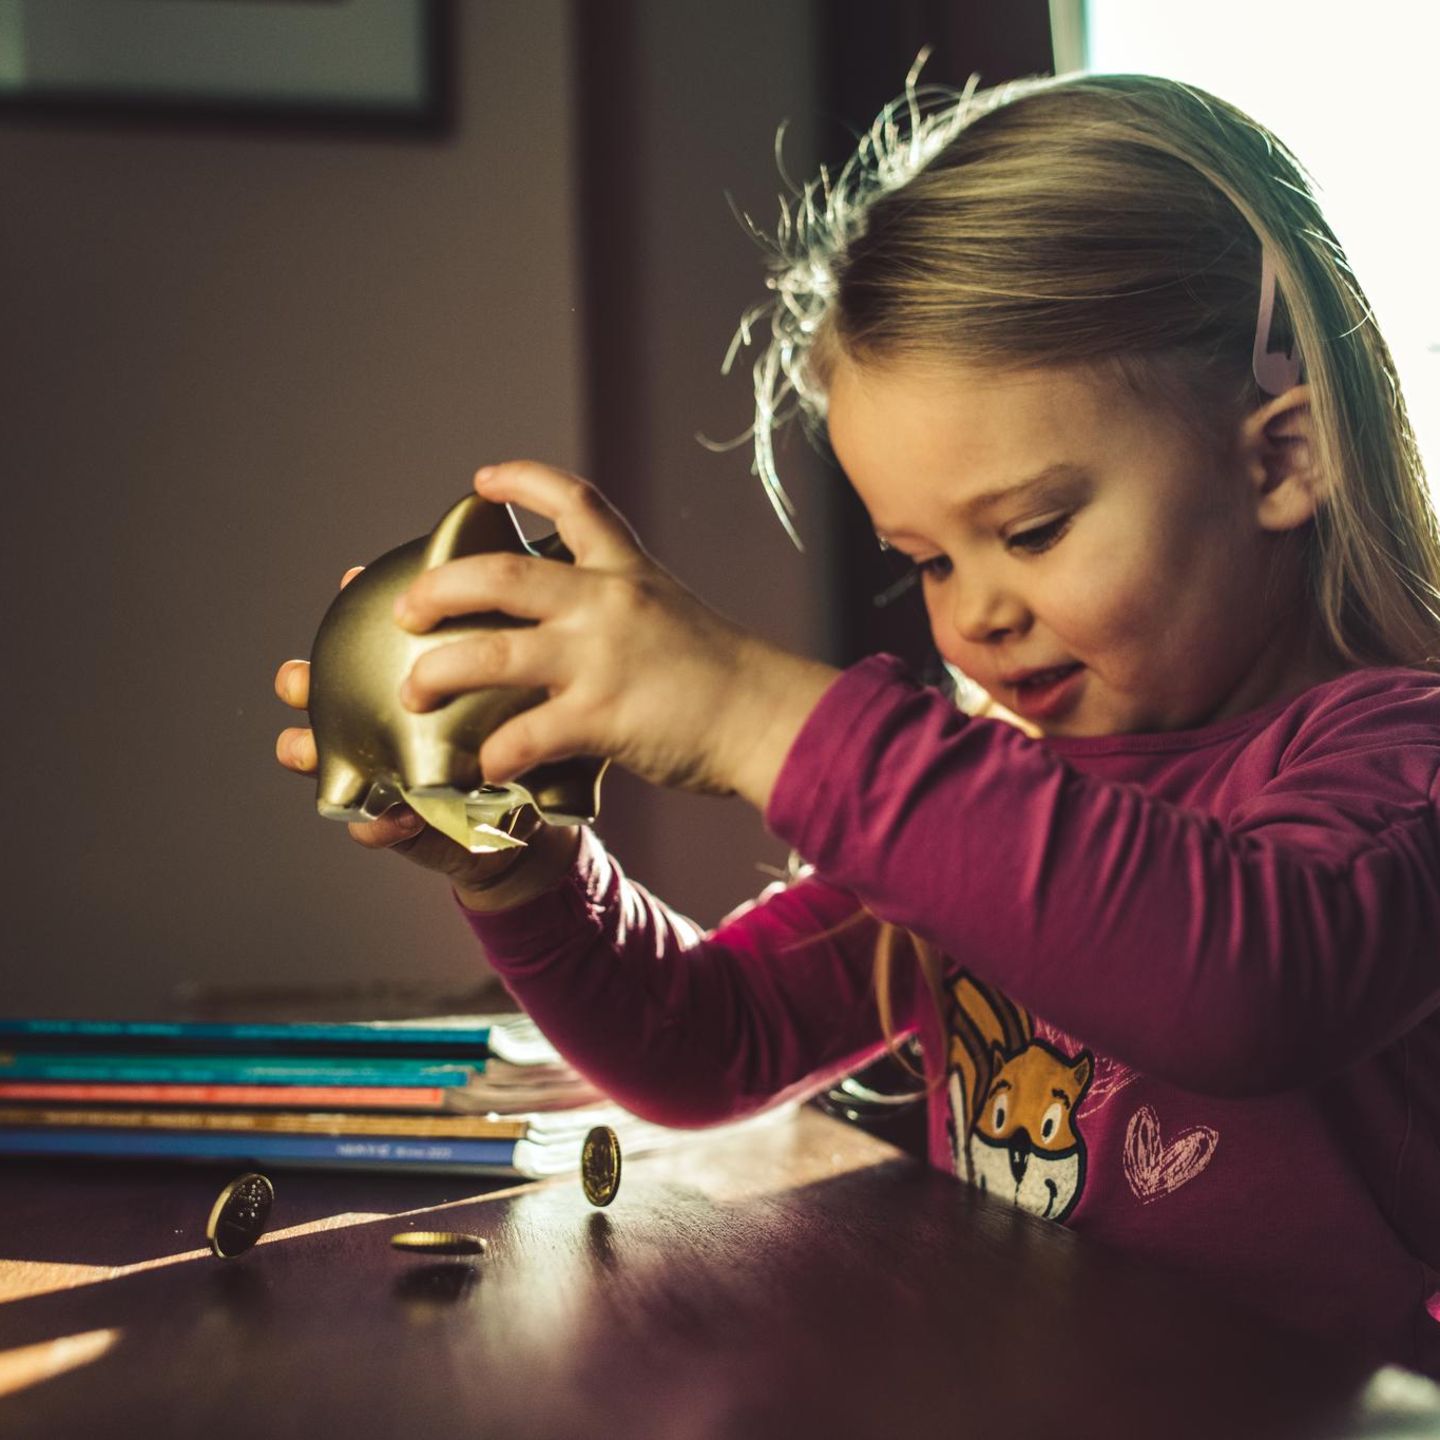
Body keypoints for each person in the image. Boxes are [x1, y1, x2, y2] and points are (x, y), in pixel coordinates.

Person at [275, 70, 1440, 1374]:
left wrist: (750, 708)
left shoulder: (1401, 764)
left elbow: (1250, 986)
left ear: (1280, 460)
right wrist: (520, 870)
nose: (975, 615)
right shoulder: (992, 795)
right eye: (926, 560)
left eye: (1033, 530)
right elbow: (713, 1039)